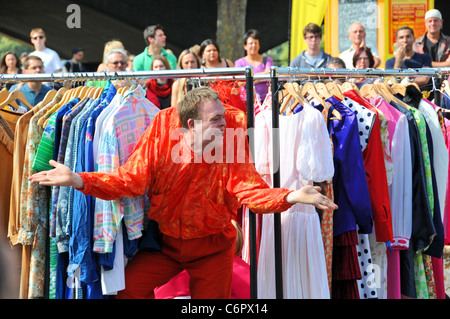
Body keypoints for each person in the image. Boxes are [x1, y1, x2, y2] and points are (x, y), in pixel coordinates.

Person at [29, 86, 338, 299]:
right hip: (165, 245)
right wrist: (79, 179)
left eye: (223, 114)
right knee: (127, 291)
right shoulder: (163, 132)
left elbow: (249, 189)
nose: (225, 120)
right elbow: (130, 180)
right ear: (191, 124)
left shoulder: (230, 134)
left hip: (213, 248)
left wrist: (291, 196)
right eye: (216, 117)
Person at [234, 29, 273, 101]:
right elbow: (240, 82)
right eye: (251, 43)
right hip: (246, 101)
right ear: (245, 46)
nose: (253, 45)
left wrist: (249, 79)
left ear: (259, 45)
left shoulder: (267, 60)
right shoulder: (239, 63)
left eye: (256, 43)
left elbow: (269, 74)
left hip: (265, 101)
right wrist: (261, 77)